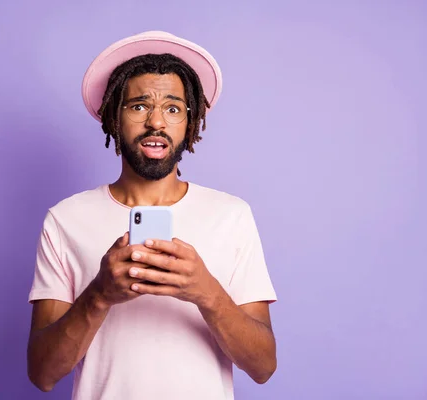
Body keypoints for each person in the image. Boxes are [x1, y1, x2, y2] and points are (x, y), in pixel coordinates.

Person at [26, 31, 277, 400]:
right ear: (114, 117)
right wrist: (99, 295)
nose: (156, 122)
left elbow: (263, 367)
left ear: (190, 124)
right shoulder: (65, 220)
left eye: (173, 108)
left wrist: (206, 293)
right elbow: (42, 374)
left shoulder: (232, 216)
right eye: (139, 106)